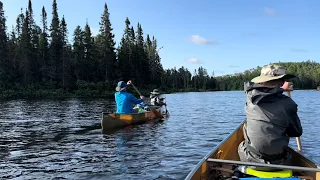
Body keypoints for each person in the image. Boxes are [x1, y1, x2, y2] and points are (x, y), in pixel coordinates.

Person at [238, 64, 303, 166]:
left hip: (248, 158)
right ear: (282, 82)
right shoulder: (288, 103)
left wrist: (280, 90)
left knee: (244, 132)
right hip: (279, 162)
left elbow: (262, 92)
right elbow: (296, 132)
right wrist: (282, 91)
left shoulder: (249, 97)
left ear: (261, 81)